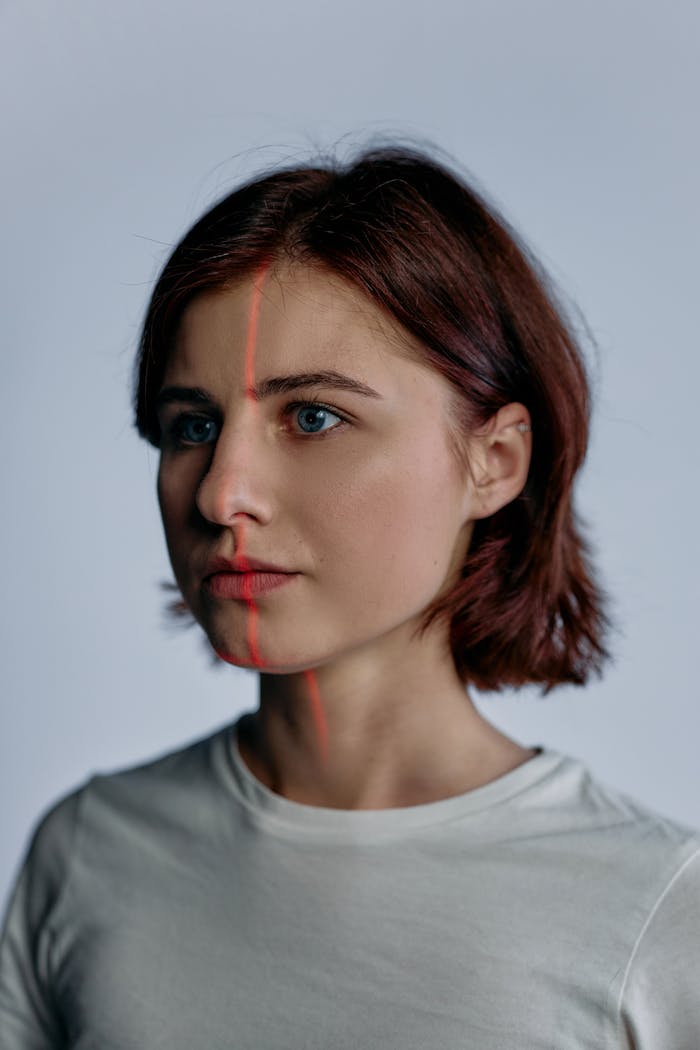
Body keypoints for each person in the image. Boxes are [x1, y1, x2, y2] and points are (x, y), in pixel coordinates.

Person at [1, 142, 698, 1048]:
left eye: (314, 417)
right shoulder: (92, 852)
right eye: (193, 426)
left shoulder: (655, 918)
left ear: (493, 463)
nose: (220, 492)